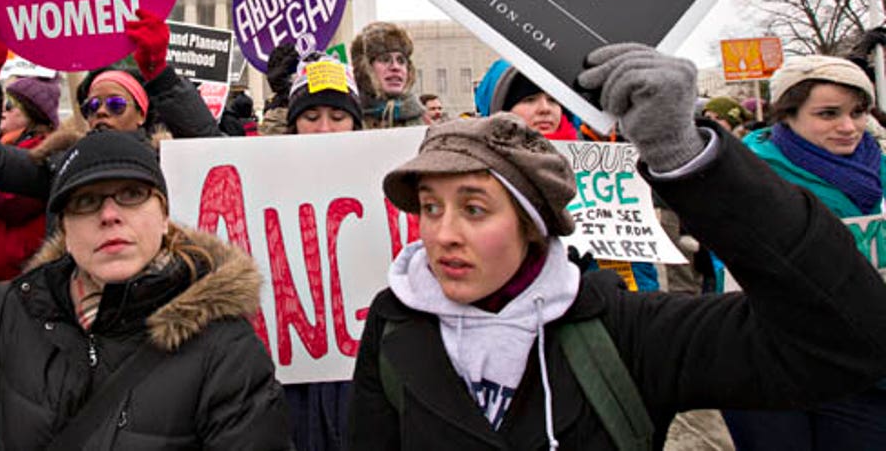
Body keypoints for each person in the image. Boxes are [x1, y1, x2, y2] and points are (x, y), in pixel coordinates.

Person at [347, 44, 886, 449]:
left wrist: (691, 162)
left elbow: (847, 335)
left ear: (532, 224)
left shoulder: (626, 331)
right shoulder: (396, 326)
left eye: (474, 208)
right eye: (430, 207)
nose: (443, 234)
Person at [0, 124, 291, 449]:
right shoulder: (19, 308)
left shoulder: (227, 350)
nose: (110, 214)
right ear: (63, 225)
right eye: (85, 201)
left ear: (163, 215)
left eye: (131, 194)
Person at [723, 54, 886, 450]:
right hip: (773, 370)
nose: (848, 127)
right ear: (788, 116)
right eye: (828, 114)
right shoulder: (747, 178)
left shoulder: (880, 170)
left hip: (866, 371)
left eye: (858, 112)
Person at [0, 10, 219, 206]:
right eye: (92, 106)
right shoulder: (61, 164)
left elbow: (214, 152)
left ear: (141, 115)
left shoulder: (168, 163)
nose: (102, 112)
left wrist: (161, 76)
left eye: (116, 105)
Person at [475, 60, 658, 291]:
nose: (545, 108)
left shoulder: (597, 166)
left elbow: (632, 256)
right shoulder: (481, 173)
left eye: (553, 99)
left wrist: (631, 298)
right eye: (529, 99)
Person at [279, 53, 362, 450]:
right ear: (293, 124)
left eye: (338, 115)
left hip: (359, 376)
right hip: (290, 376)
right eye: (311, 117)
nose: (325, 128)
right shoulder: (266, 179)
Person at [0, 75, 62, 283]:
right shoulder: (5, 152)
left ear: (34, 116)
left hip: (19, 279)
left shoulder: (39, 158)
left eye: (9, 105)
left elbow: (1, 199)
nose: (2, 110)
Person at [350, 22, 425, 129]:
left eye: (401, 60)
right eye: (385, 59)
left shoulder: (424, 121)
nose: (395, 67)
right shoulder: (348, 120)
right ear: (364, 69)